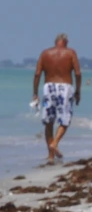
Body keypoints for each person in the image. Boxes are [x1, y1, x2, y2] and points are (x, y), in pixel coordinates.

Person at [32, 33, 81, 162]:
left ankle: (50, 157)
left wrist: (35, 93)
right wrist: (78, 91)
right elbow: (78, 73)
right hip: (65, 88)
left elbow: (37, 74)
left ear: (56, 42)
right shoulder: (71, 53)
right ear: (66, 42)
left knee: (49, 122)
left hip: (49, 88)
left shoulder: (45, 53)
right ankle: (55, 143)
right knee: (65, 120)